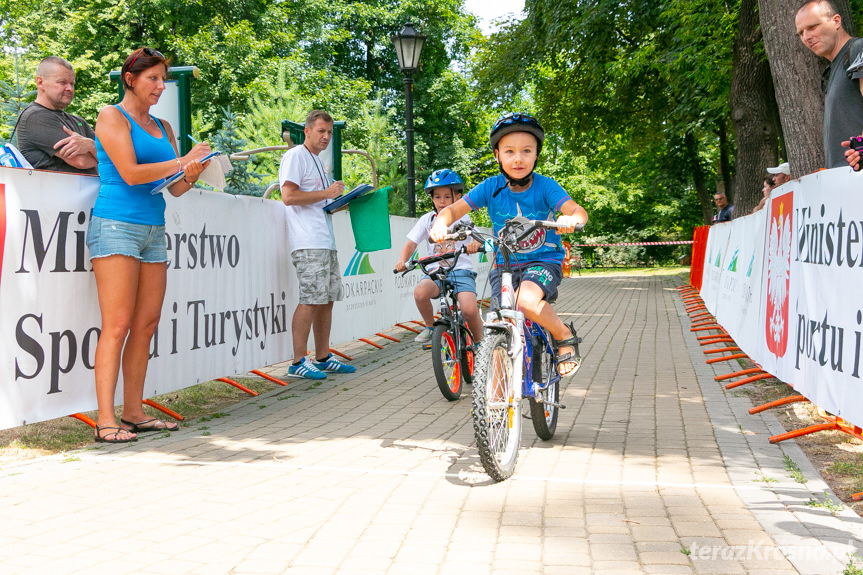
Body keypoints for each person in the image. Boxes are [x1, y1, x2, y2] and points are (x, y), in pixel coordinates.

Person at [88, 47, 213, 443]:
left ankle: (134, 412)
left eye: (163, 79)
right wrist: (181, 162)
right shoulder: (112, 116)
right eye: (153, 79)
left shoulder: (164, 128)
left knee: (146, 324)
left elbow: (174, 189)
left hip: (153, 229)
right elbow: (129, 172)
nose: (161, 86)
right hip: (115, 225)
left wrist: (192, 172)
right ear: (130, 78)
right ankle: (105, 421)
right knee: (119, 324)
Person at [430, 112, 588, 377]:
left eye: (527, 151)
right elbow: (452, 211)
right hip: (504, 265)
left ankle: (563, 335)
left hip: (542, 261)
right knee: (500, 322)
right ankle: (500, 391)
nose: (518, 158)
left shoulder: (546, 187)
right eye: (510, 151)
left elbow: (577, 210)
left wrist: (570, 218)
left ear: (537, 154)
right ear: (497, 155)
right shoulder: (490, 187)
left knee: (524, 301)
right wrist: (440, 223)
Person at [280, 110, 357, 380]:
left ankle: (323, 357)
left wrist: (349, 200)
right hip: (307, 241)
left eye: (330, 133)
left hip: (325, 240)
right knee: (311, 299)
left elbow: (324, 206)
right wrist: (326, 193)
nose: (326, 137)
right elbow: (288, 196)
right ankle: (298, 361)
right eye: (321, 131)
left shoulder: (318, 162)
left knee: (326, 300)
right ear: (307, 131)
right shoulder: (295, 156)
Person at [394, 169, 483, 345]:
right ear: (432, 199)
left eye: (447, 197)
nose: (442, 202)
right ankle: (430, 326)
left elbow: (479, 240)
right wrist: (402, 260)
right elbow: (411, 243)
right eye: (437, 197)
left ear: (457, 198)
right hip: (436, 271)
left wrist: (475, 245)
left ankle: (481, 343)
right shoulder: (427, 220)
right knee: (420, 293)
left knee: (469, 310)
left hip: (461, 271)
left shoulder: (464, 219)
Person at [795, 1, 863, 169]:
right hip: (845, 181)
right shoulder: (833, 70)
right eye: (801, 33)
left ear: (836, 21)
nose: (806, 37)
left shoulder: (858, 49)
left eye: (812, 27)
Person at [12, 56, 98, 174]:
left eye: (72, 83)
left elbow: (113, 155)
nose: (69, 88)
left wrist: (90, 146)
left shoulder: (78, 121)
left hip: (87, 191)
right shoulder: (35, 117)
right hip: (55, 191)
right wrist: (96, 151)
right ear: (40, 83)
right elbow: (81, 161)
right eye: (62, 82)